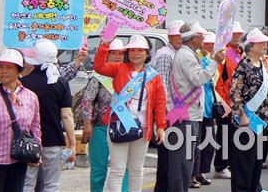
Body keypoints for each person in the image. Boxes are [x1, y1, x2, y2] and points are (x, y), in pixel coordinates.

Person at [94, 33, 167, 191]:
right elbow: (99, 67)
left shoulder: (154, 77)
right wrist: (105, 45)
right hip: (120, 123)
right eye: (132, 50)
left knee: (136, 170)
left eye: (140, 50)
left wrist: (161, 126)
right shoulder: (119, 68)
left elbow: (160, 103)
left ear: (147, 53)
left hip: (144, 127)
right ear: (128, 52)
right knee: (117, 169)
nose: (136, 53)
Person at [170, 21, 225, 192]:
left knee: (185, 160)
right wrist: (215, 62)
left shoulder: (188, 53)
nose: (203, 38)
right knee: (183, 162)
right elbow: (199, 79)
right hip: (185, 114)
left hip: (188, 113)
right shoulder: (186, 55)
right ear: (194, 38)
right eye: (201, 35)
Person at [21, 39, 77, 192]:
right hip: (53, 140)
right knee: (51, 184)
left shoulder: (23, 83)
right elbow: (66, 115)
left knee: (27, 183)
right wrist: (72, 144)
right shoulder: (60, 83)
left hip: (28, 141)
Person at [229, 28, 268, 192]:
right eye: (260, 42)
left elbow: (267, 88)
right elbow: (235, 92)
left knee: (257, 158)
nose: (265, 45)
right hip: (246, 120)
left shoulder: (262, 64)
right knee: (244, 160)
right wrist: (241, 114)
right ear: (251, 46)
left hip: (261, 119)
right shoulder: (243, 65)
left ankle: (253, 187)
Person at [80, 39, 129, 192]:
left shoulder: (130, 75)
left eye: (120, 53)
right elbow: (87, 100)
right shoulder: (99, 76)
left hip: (124, 128)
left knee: (123, 168)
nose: (117, 56)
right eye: (113, 53)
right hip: (101, 128)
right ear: (106, 55)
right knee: (98, 169)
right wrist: (87, 124)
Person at [0, 49, 41, 192]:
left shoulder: (31, 97)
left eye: (9, 67)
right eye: (0, 67)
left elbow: (35, 127)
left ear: (19, 71)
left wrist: (36, 151)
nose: (3, 71)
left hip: (20, 159)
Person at [152, 20, 185, 192]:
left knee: (173, 153)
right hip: (169, 110)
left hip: (177, 109)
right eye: (175, 35)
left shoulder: (179, 52)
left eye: (181, 35)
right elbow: (162, 82)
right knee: (167, 155)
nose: (179, 38)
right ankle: (163, 188)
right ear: (169, 36)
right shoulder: (166, 54)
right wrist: (164, 111)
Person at [214, 21, 245, 180]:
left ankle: (230, 164)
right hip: (226, 102)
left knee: (233, 136)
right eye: (234, 33)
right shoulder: (224, 53)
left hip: (237, 102)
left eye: (239, 33)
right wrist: (224, 103)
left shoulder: (239, 52)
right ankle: (220, 166)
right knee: (224, 135)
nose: (238, 36)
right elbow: (218, 80)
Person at [191, 32, 220, 188]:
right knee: (196, 143)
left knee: (209, 142)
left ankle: (201, 172)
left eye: (212, 43)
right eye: (207, 43)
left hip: (209, 106)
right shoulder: (197, 58)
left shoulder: (213, 59)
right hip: (198, 108)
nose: (210, 46)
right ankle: (192, 175)